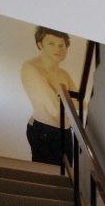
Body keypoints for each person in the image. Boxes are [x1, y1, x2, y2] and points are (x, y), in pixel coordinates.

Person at [20, 26, 77, 165]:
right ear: (40, 45)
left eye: (61, 45)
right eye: (51, 43)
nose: (58, 49)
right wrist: (69, 103)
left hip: (65, 132)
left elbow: (79, 103)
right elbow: (54, 109)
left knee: (65, 177)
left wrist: (66, 103)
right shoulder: (31, 68)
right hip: (44, 130)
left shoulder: (64, 74)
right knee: (46, 176)